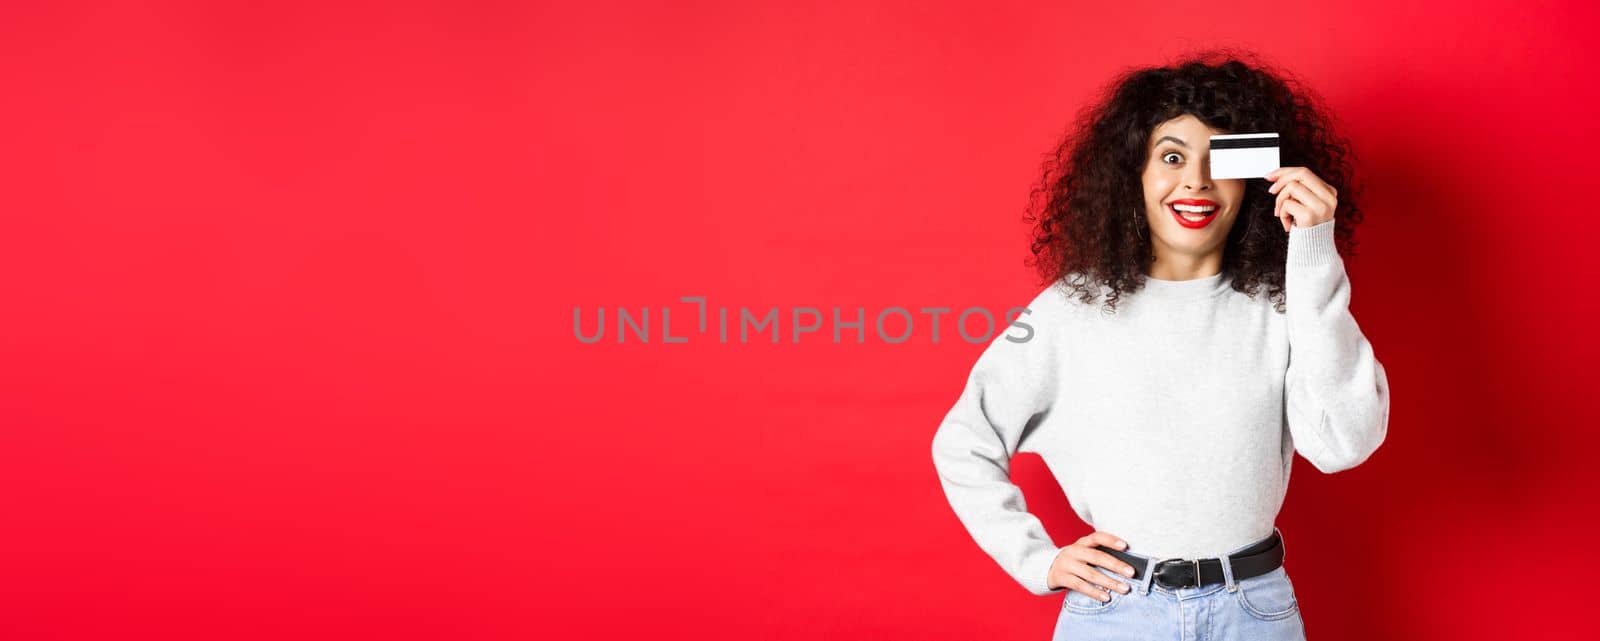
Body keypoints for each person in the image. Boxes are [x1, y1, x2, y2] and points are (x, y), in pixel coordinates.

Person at [929, 51, 1390, 641]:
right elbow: (964, 441)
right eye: (1172, 157)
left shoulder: (1284, 305)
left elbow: (1343, 444)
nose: (1196, 180)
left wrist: (1314, 255)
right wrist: (1037, 560)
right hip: (1118, 610)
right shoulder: (1071, 310)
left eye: (1219, 159)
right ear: (1135, 176)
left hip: (1254, 610)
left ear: (1254, 178)